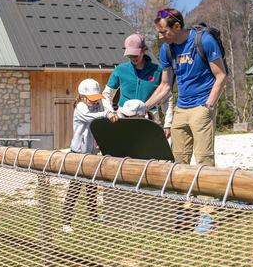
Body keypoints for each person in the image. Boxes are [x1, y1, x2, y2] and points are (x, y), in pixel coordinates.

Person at [143, 8, 227, 166]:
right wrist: (144, 107)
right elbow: (165, 85)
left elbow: (221, 76)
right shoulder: (166, 49)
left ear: (176, 26)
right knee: (177, 161)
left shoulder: (204, 40)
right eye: (158, 32)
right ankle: (181, 192)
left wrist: (208, 106)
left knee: (204, 160)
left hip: (202, 107)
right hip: (180, 109)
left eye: (163, 32)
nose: (160, 36)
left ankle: (205, 192)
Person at [62, 78, 113, 232]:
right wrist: (108, 114)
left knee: (92, 187)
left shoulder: (98, 106)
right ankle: (66, 221)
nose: (94, 102)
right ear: (82, 96)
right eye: (92, 99)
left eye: (96, 99)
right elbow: (92, 118)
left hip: (91, 153)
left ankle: (93, 217)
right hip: (78, 154)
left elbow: (104, 111)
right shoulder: (81, 107)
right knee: (75, 188)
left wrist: (109, 111)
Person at [102, 33, 174, 137]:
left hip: (149, 119)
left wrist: (167, 124)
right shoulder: (120, 70)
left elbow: (167, 98)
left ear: (144, 50)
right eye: (130, 55)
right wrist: (110, 112)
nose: (133, 58)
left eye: (136, 54)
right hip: (124, 120)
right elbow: (106, 95)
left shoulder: (157, 71)